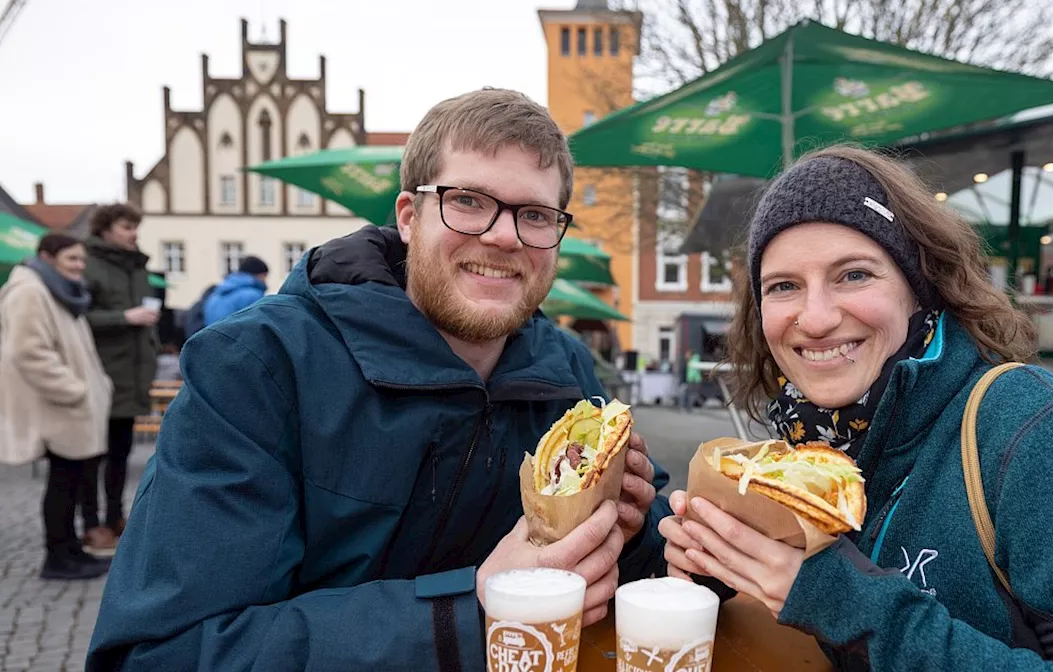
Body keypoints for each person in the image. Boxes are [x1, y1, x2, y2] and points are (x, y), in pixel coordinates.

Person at [87, 88, 671, 671]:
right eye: (467, 200)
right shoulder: (256, 366)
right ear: (409, 218)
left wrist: (636, 526)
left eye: (535, 215)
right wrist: (473, 609)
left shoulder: (565, 367)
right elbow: (162, 653)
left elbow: (629, 576)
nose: (504, 236)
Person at [659, 146, 1053, 670]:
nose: (813, 318)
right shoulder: (820, 444)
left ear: (922, 286)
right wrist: (728, 566)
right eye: (783, 286)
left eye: (854, 274)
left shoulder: (1039, 436)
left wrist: (848, 603)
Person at [0, 234, 114, 580]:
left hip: (69, 406)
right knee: (62, 482)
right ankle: (58, 556)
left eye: (82, 260)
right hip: (56, 406)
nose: (80, 267)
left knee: (73, 478)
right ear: (47, 257)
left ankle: (71, 550)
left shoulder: (59, 291)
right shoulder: (31, 292)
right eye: (71, 260)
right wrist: (73, 390)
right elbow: (28, 352)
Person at [80, 203, 159, 557]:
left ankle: (115, 517)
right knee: (90, 456)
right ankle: (91, 523)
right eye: (126, 227)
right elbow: (79, 318)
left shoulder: (138, 268)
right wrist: (124, 317)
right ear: (105, 229)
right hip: (100, 375)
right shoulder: (88, 264)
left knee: (120, 454)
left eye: (135, 227)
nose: (133, 234)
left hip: (132, 375)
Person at [201, 255, 270, 326]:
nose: (265, 280)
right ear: (258, 274)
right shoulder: (253, 295)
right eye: (264, 275)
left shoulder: (215, 295)